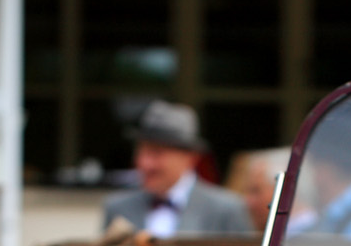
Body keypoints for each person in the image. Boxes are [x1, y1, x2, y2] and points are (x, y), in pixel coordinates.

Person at [101, 101, 252, 237]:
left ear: (190, 158)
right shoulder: (117, 207)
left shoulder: (225, 210)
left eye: (156, 153)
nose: (145, 163)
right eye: (141, 152)